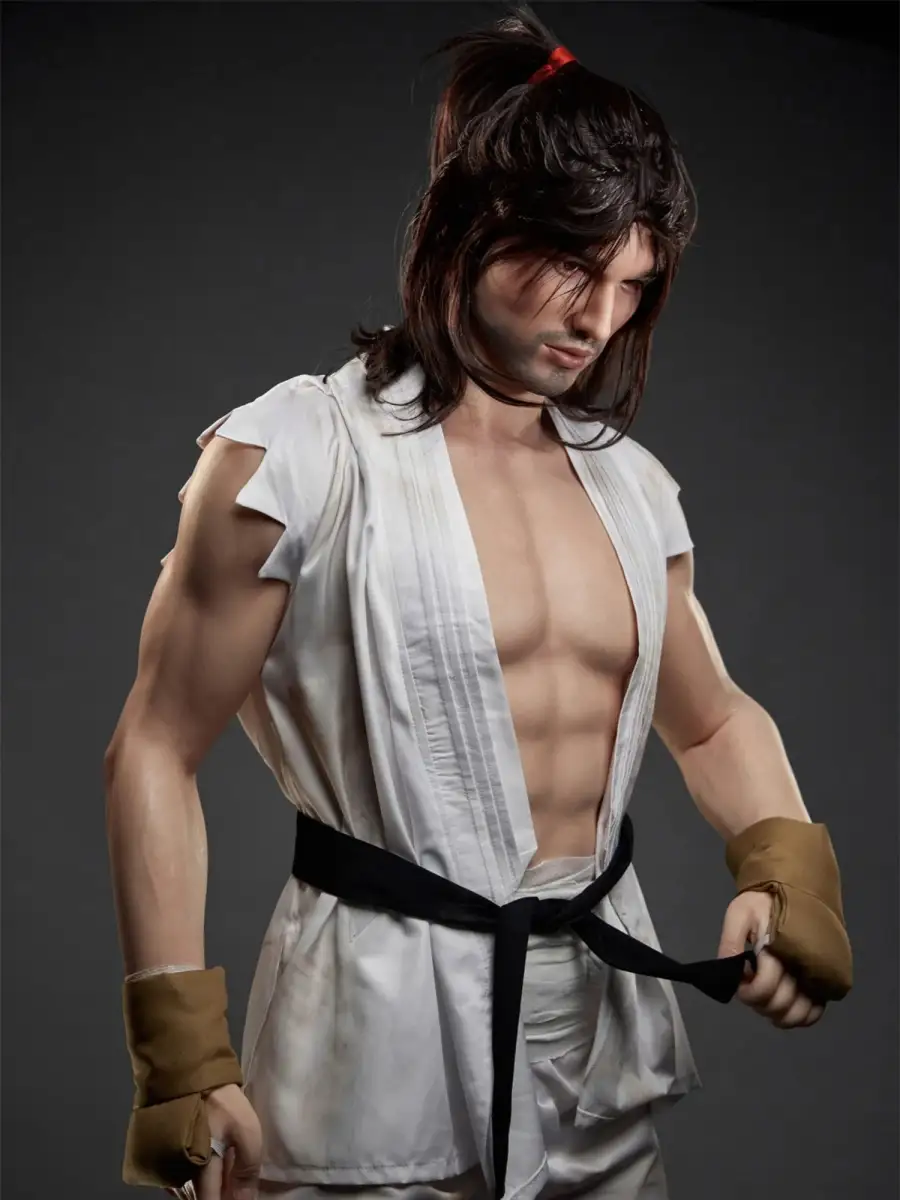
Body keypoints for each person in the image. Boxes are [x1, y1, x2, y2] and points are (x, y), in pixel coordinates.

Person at [104, 8, 852, 1200]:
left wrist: (787, 868)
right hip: (370, 1042)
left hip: (597, 1038)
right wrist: (180, 1055)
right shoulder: (297, 458)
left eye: (632, 286)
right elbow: (154, 743)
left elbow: (711, 718)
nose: (599, 322)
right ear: (473, 222)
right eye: (576, 268)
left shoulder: (632, 489)